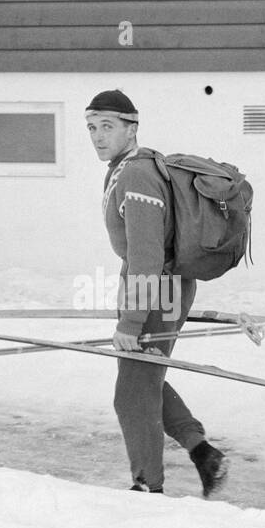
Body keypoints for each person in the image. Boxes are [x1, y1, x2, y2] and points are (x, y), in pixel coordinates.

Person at [85, 89, 228, 497]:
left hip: (156, 291)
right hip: (159, 288)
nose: (98, 136)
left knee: (131, 395)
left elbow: (146, 255)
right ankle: (203, 452)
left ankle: (148, 486)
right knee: (145, 381)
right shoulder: (126, 167)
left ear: (132, 129)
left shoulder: (136, 174)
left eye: (108, 127)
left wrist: (131, 321)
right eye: (92, 128)